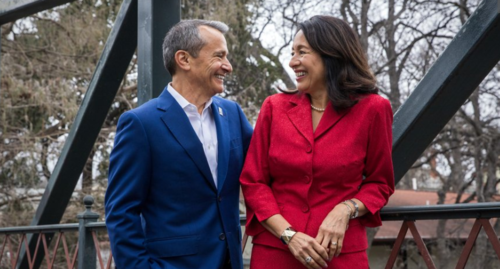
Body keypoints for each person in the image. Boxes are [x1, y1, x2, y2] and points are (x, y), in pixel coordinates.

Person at [240, 15, 394, 269]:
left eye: (302, 52)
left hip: (339, 255)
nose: (292, 62)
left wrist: (345, 210)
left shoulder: (374, 109)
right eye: (292, 52)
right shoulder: (274, 108)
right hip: (275, 252)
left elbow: (380, 183)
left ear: (331, 53)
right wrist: (289, 235)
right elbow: (253, 181)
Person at [105, 19, 253, 269]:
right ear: (184, 59)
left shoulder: (233, 114)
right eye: (219, 56)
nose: (227, 66)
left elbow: (268, 170)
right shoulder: (141, 123)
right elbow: (121, 212)